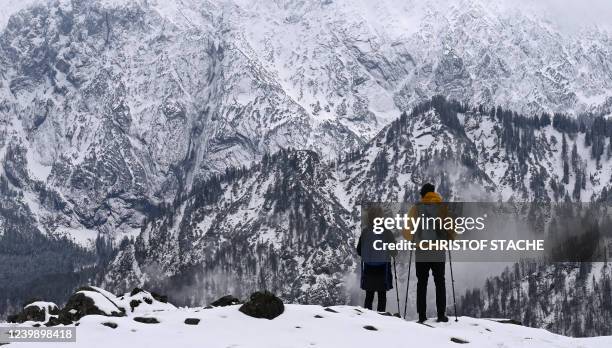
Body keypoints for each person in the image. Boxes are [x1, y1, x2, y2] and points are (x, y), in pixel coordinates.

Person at [402, 183, 456, 323]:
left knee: (422, 283)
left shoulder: (416, 209)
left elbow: (407, 231)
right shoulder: (442, 208)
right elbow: (451, 229)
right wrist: (447, 240)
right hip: (438, 251)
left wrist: (414, 241)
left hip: (422, 252)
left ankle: (422, 316)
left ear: (423, 194)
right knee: (440, 282)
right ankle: (441, 315)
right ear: (433, 193)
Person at [357, 206, 397, 312]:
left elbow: (359, 251)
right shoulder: (387, 232)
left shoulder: (365, 232)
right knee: (382, 296)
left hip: (369, 269)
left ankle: (367, 318)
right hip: (383, 269)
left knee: (369, 296)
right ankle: (381, 319)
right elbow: (394, 252)